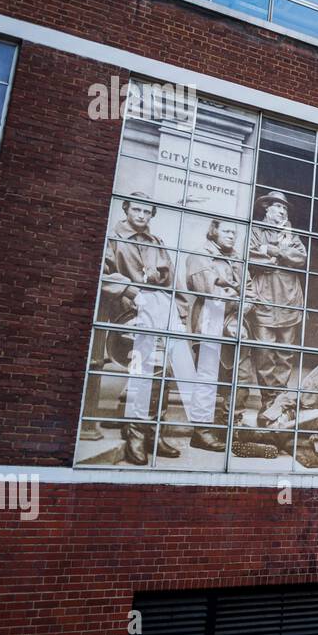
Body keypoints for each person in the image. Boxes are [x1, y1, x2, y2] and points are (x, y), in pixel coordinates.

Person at [99, 193, 189, 465]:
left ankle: (151, 431)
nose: (141, 215)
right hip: (129, 313)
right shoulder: (113, 239)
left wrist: (180, 316)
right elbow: (101, 273)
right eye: (136, 209)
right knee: (148, 367)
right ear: (126, 209)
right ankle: (136, 432)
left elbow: (173, 281)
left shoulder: (157, 243)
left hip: (161, 313)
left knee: (165, 370)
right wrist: (130, 289)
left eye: (147, 211)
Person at [182, 219, 245, 453]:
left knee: (230, 377)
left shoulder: (237, 258)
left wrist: (238, 296)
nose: (231, 235)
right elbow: (208, 288)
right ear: (214, 231)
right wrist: (233, 292)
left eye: (234, 232)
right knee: (207, 377)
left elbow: (247, 290)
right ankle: (201, 431)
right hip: (210, 319)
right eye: (227, 231)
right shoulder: (200, 255)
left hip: (233, 322)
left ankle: (220, 428)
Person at [247, 191, 307, 390]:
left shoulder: (292, 235)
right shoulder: (255, 230)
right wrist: (280, 255)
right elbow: (251, 255)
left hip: (289, 301)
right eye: (278, 206)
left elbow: (301, 258)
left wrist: (273, 251)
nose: (282, 211)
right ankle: (269, 400)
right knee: (264, 353)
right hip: (264, 301)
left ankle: (277, 401)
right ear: (267, 208)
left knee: (285, 355)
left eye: (284, 208)